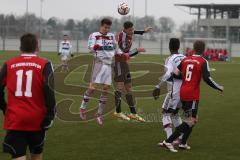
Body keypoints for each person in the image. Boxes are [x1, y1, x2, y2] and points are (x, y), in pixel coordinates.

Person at [0, 33, 56, 160]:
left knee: (17, 155)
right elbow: (49, 90)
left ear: (20, 48)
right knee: (36, 155)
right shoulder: (45, 64)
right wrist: (50, 114)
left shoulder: (9, 64)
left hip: (15, 119)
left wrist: (4, 107)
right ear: (37, 47)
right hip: (37, 120)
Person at [161, 40, 224, 152]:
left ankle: (183, 143)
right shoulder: (202, 61)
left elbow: (175, 72)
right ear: (203, 50)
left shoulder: (186, 59)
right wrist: (218, 87)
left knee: (190, 118)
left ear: (193, 49)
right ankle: (169, 141)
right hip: (192, 94)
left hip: (183, 91)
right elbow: (207, 78)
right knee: (191, 120)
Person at [79, 18, 117, 125]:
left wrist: (123, 54)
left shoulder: (111, 36)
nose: (107, 29)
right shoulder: (94, 35)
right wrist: (94, 47)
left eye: (108, 27)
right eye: (105, 27)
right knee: (92, 88)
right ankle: (82, 108)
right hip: (99, 63)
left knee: (105, 90)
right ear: (101, 26)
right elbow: (90, 48)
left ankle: (99, 114)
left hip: (109, 65)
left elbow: (116, 47)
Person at [113, 21, 152, 122]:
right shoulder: (122, 38)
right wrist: (137, 50)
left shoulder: (128, 32)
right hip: (119, 62)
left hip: (124, 63)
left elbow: (134, 32)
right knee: (120, 87)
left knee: (129, 87)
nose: (132, 31)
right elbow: (125, 54)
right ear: (125, 30)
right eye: (130, 30)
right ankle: (118, 111)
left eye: (132, 29)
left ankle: (133, 113)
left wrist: (143, 31)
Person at [152, 38, 185, 144]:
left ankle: (169, 140)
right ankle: (181, 139)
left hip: (174, 90)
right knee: (175, 114)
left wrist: (157, 86)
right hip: (185, 89)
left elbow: (168, 74)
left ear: (169, 47)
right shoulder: (184, 57)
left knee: (166, 113)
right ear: (179, 46)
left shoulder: (170, 59)